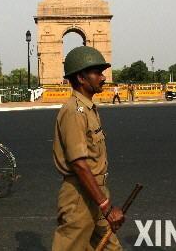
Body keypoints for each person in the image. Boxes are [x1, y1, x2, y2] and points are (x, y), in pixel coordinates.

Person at [52, 46, 125, 251]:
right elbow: (79, 164)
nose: (103, 77)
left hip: (95, 191)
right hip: (80, 196)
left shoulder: (88, 109)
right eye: (97, 72)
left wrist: (103, 201)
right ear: (81, 78)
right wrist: (105, 206)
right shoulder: (74, 112)